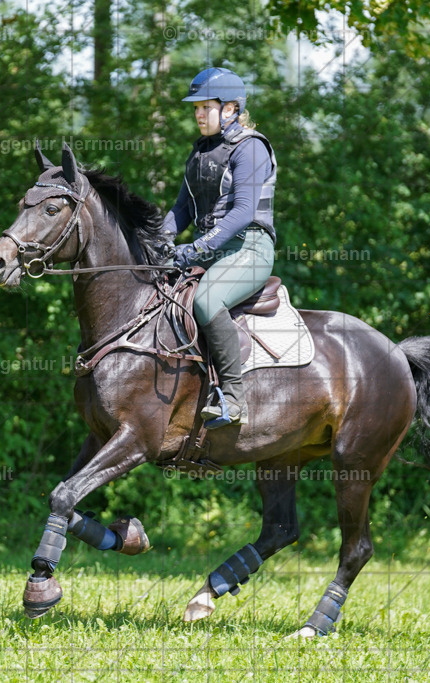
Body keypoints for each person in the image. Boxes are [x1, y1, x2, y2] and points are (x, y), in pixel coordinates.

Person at [164, 67, 277, 428]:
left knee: (206, 301)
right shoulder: (199, 153)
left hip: (251, 248)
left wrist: (194, 250)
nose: (197, 113)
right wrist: (157, 240)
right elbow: (181, 209)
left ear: (230, 109)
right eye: (195, 107)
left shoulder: (252, 147)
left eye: (204, 106)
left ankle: (233, 395)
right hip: (214, 249)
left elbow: (243, 212)